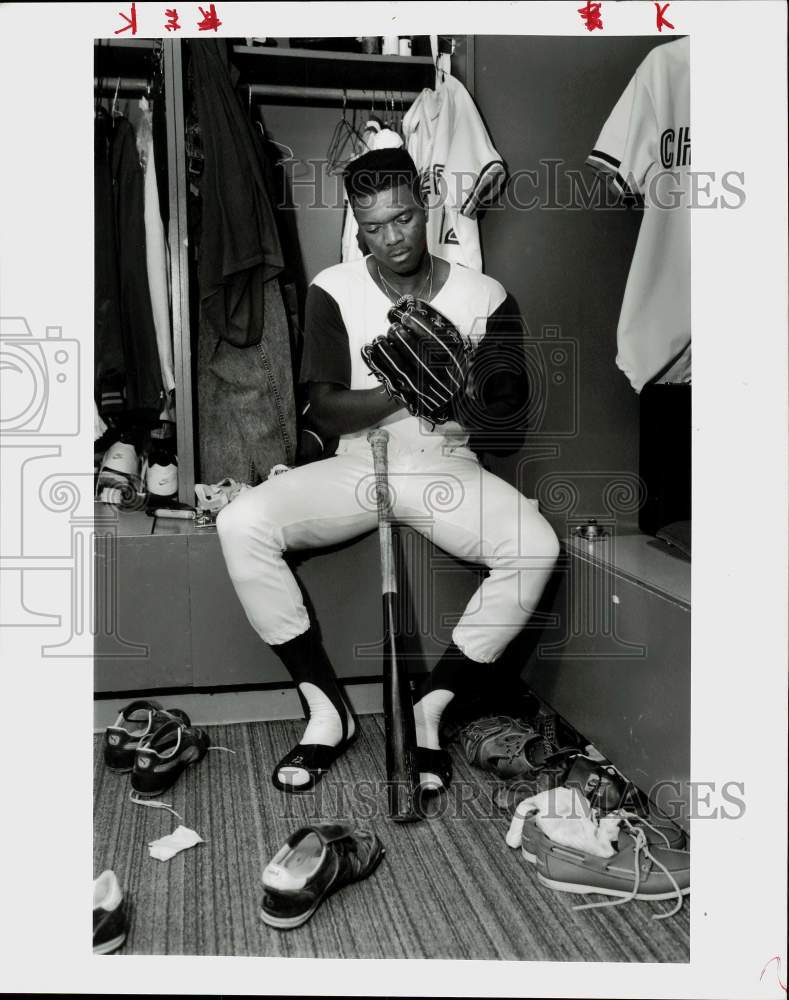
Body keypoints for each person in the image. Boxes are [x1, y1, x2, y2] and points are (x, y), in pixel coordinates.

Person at [216, 148, 560, 796]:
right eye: (372, 225)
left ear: (423, 204)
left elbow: (505, 422)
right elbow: (323, 406)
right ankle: (325, 708)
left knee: (536, 546)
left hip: (443, 464)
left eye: (402, 218)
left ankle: (431, 707)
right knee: (240, 522)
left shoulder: (484, 296)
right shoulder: (333, 287)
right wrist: (404, 386)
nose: (391, 237)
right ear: (355, 222)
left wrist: (451, 389)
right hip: (358, 462)